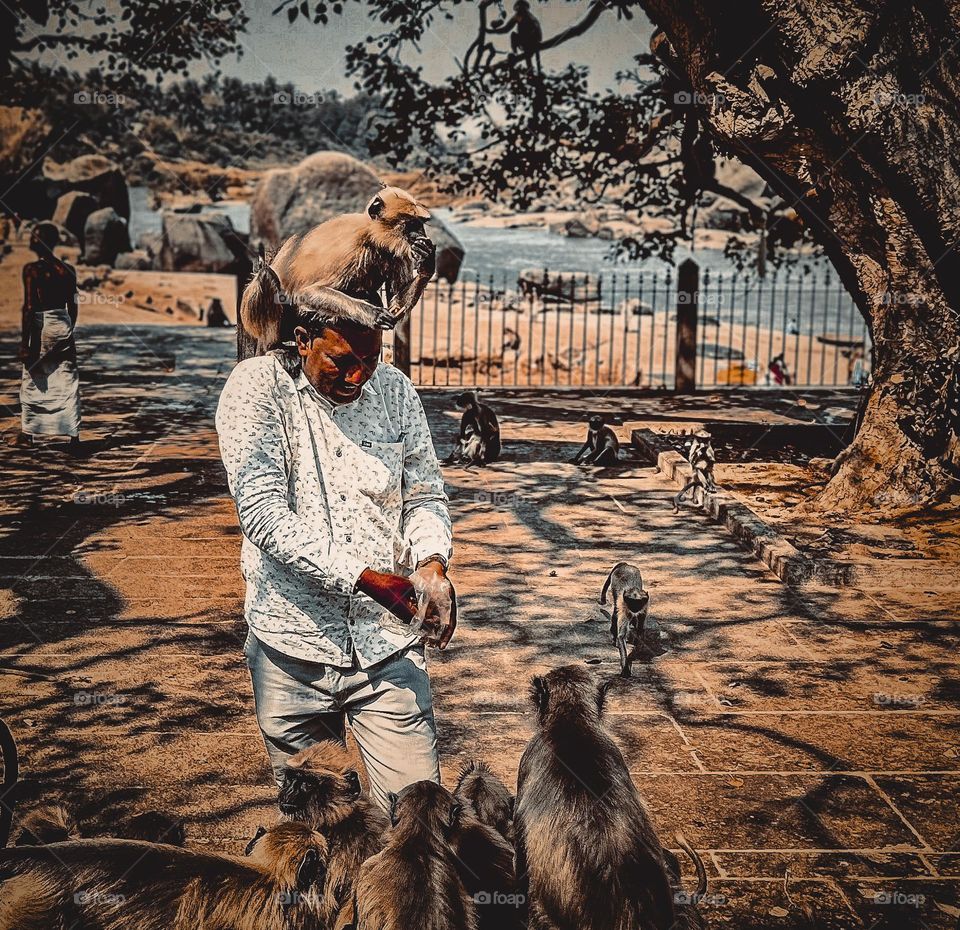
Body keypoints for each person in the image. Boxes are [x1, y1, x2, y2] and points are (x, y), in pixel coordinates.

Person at [215, 308, 456, 810]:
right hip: (291, 648)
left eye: (370, 359)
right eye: (341, 360)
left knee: (420, 825)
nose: (357, 376)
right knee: (316, 840)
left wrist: (432, 564)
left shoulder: (394, 392)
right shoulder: (258, 388)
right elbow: (263, 516)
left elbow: (424, 495)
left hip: (387, 647)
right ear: (303, 340)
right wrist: (367, 580)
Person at [15, 222, 81, 451]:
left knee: (34, 379)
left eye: (34, 236)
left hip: (42, 325)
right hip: (62, 323)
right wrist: (68, 329)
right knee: (67, 379)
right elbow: (73, 305)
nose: (30, 240)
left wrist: (26, 343)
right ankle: (73, 435)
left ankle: (28, 434)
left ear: (41, 242)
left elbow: (30, 307)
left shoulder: (33, 269)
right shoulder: (68, 269)